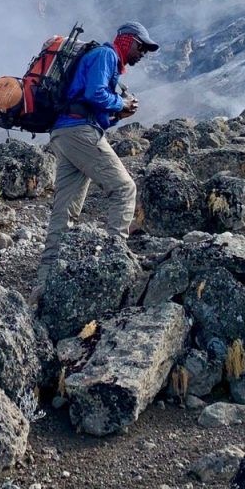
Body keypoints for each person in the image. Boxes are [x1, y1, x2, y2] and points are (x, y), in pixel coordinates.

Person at [32, 21, 159, 300]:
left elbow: (93, 107)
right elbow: (95, 94)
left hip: (64, 134)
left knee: (64, 211)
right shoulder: (107, 55)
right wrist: (122, 104)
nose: (142, 54)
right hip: (79, 133)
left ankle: (44, 282)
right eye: (141, 47)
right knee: (125, 188)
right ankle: (117, 258)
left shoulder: (104, 59)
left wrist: (117, 115)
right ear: (127, 41)